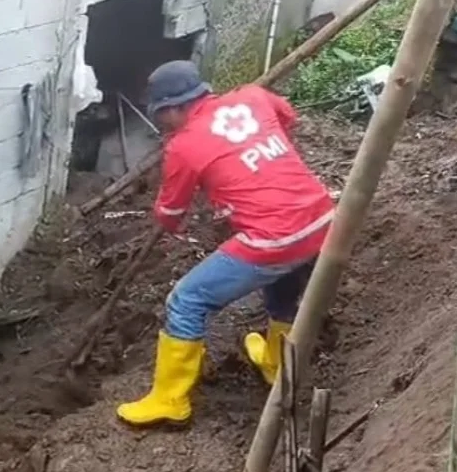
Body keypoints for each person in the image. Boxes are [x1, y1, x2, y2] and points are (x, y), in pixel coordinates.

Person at [116, 60, 335, 427]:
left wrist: (202, 188)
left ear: (173, 108)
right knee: (283, 287)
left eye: (161, 116)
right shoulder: (253, 95)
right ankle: (275, 364)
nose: (162, 125)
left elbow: (171, 215)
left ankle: (169, 402)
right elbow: (288, 119)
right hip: (322, 222)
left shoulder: (183, 146)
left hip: (272, 238)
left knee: (186, 299)